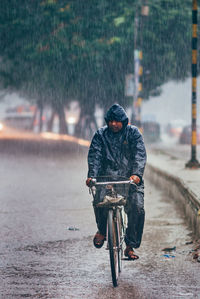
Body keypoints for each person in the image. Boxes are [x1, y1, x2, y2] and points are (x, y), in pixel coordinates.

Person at [86, 103, 146, 260]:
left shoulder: (133, 134)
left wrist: (137, 174)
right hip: (106, 178)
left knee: (137, 208)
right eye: (110, 121)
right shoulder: (100, 135)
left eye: (117, 121)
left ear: (124, 121)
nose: (113, 124)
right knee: (98, 200)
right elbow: (95, 156)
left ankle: (130, 246)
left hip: (129, 179)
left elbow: (140, 154)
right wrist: (92, 176)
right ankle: (102, 230)